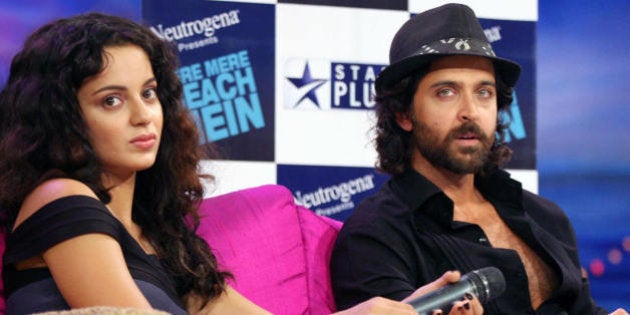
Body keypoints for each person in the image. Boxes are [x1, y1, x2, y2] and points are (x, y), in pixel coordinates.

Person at [0, 12, 476, 315]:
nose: (143, 114)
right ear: (64, 117)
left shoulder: (159, 233)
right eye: (110, 100)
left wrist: (388, 311)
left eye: (148, 93)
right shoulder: (61, 198)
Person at [329, 3, 628, 315]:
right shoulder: (374, 235)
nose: (469, 111)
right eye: (446, 92)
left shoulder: (546, 216)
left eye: (484, 92)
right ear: (404, 113)